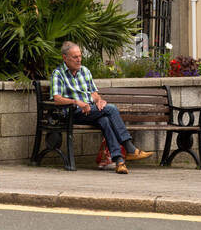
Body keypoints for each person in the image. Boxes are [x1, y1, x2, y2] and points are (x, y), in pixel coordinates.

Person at [49, 41, 153, 174]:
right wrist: (76, 102)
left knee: (105, 120)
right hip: (72, 113)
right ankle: (130, 148)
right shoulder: (58, 74)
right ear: (65, 58)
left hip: (89, 111)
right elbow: (57, 99)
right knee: (112, 109)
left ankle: (119, 161)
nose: (79, 59)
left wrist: (99, 101)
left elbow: (94, 94)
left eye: (80, 56)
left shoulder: (85, 71)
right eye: (75, 57)